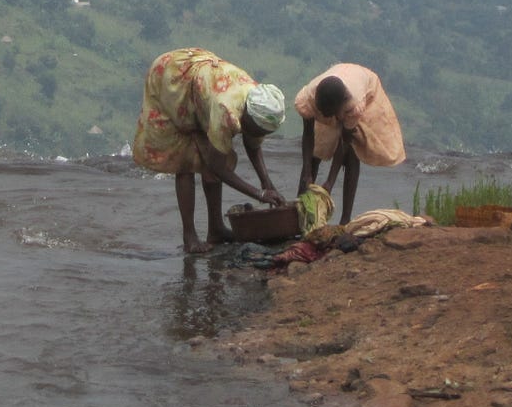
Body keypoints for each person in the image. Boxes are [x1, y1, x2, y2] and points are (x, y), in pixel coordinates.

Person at [131, 48, 287, 253]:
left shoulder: (260, 102)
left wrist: (266, 181)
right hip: (173, 78)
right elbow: (218, 167)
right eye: (254, 129)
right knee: (185, 159)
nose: (255, 133)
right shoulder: (226, 111)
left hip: (203, 86)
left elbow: (253, 143)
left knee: (210, 154)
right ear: (246, 115)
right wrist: (259, 193)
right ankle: (190, 237)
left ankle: (216, 229)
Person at [293, 63, 405, 224]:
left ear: (340, 108)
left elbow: (344, 143)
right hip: (337, 84)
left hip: (366, 87)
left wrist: (330, 182)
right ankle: (300, 212)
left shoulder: (353, 106)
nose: (325, 117)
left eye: (329, 114)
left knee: (353, 152)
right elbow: (308, 135)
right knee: (316, 150)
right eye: (322, 112)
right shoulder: (308, 98)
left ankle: (345, 219)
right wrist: (307, 172)